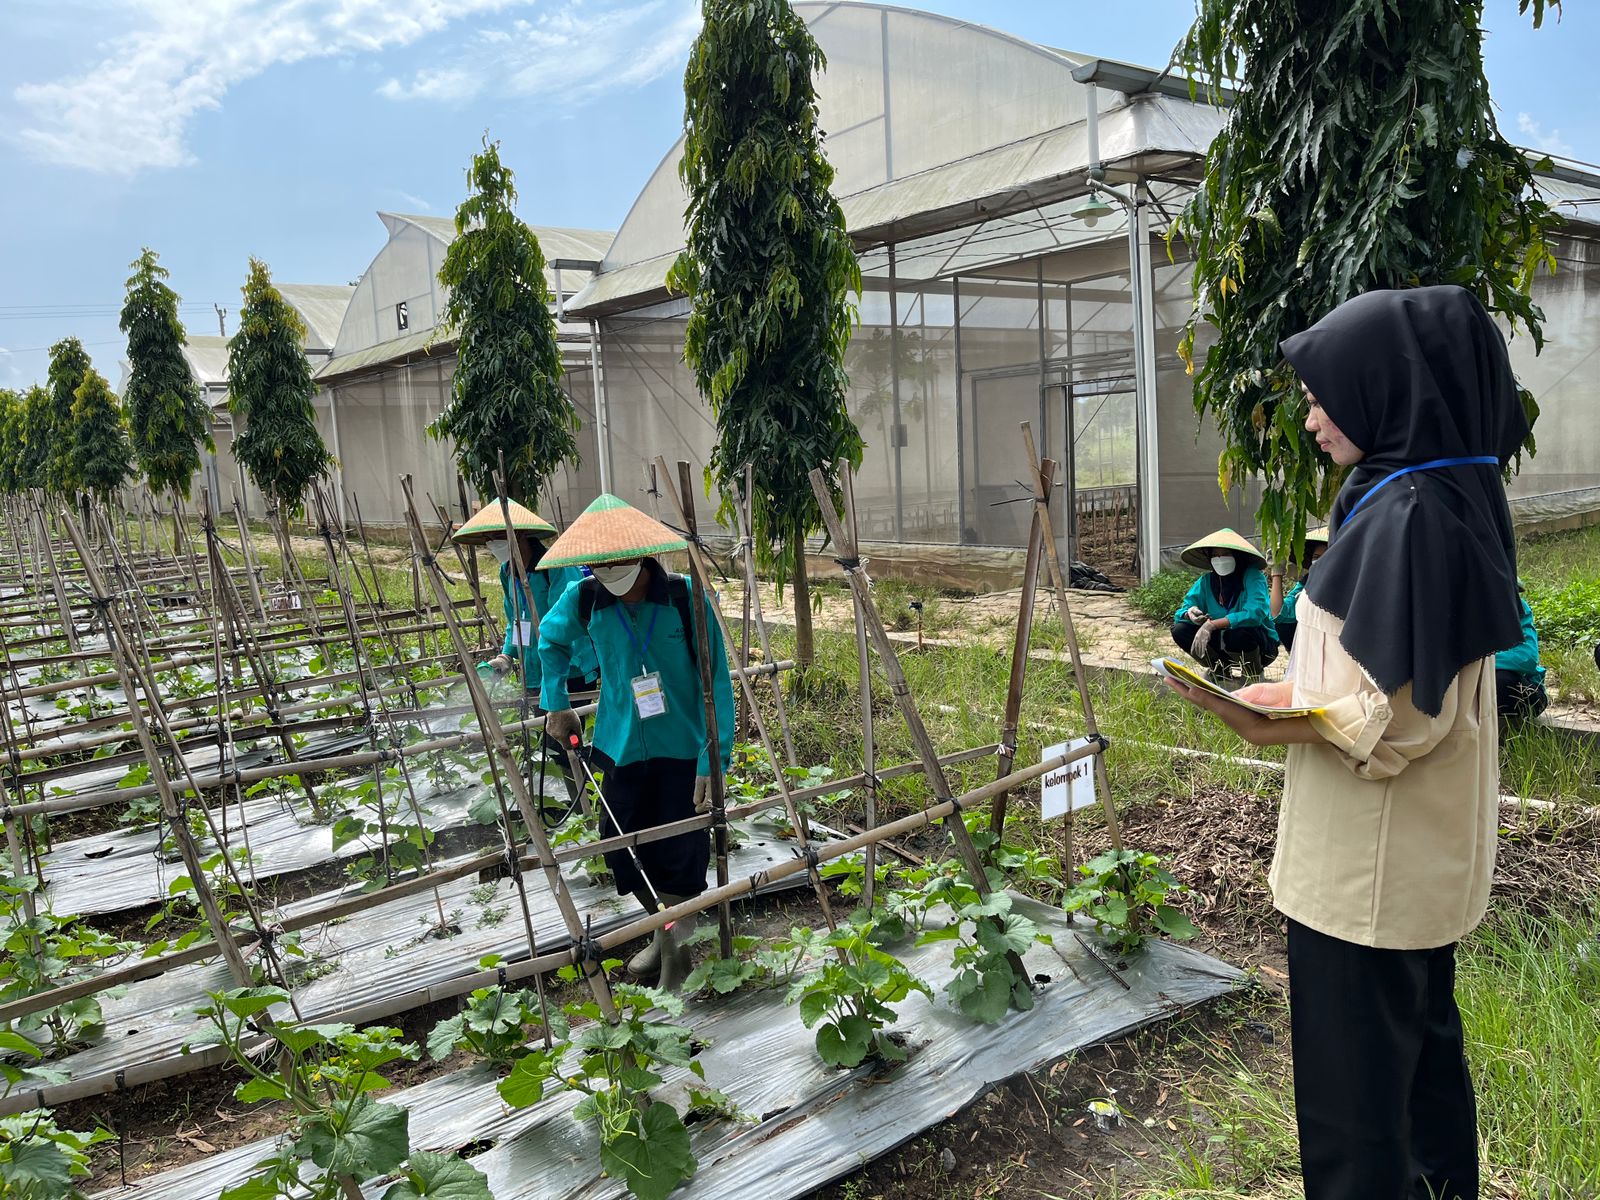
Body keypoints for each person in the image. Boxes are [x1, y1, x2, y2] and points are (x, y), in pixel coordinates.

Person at [1165, 286, 1528, 1200]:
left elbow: (1395, 723)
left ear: (1385, 388)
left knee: (1356, 1120)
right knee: (1422, 1090)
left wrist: (1267, 717)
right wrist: (1300, 689)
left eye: (1330, 392)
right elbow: (1396, 684)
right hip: (1416, 874)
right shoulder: (1442, 492)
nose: (1315, 414)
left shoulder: (1406, 518)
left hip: (1363, 885)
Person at [536, 494, 735, 991]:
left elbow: (718, 682)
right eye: (598, 563)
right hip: (620, 745)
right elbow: (550, 639)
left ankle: (676, 959)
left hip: (682, 750)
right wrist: (556, 700)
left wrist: (715, 757)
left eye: (615, 561)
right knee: (620, 847)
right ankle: (663, 932)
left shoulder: (685, 598)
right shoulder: (585, 598)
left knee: (681, 855)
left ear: (640, 554)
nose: (608, 571)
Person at [453, 500, 598, 804]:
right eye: (489, 541)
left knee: (568, 738)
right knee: (550, 738)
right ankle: (578, 799)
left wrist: (551, 672)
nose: (492, 546)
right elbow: (515, 620)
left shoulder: (556, 568)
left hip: (570, 668)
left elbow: (571, 625)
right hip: (535, 669)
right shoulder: (509, 572)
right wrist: (507, 655)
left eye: (497, 539)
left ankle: (587, 801)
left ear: (519, 536)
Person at [1170, 528, 1280, 675]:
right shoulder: (1206, 581)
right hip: (1220, 641)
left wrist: (1212, 625)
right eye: (1215, 555)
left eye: (1226, 554)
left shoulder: (1253, 576)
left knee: (1237, 634)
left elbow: (1255, 614)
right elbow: (1183, 609)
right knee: (1180, 630)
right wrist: (1189, 613)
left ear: (1237, 556)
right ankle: (1219, 668)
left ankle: (1252, 671)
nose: (1220, 559)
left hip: (1258, 643)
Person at [1494, 584, 1548, 721]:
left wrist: (1479, 663)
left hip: (1521, 685)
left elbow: (1526, 658)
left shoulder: (1518, 608)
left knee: (1501, 681)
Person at [1271, 528, 1329, 653]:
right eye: (1316, 557)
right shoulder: (1307, 583)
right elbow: (1279, 614)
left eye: (1328, 555)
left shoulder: (1351, 583)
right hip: (1313, 644)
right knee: (1285, 626)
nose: (1321, 560)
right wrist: (1277, 572)